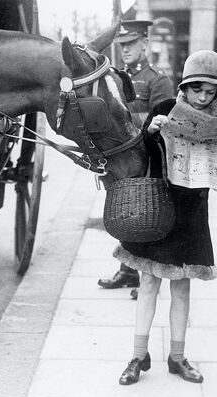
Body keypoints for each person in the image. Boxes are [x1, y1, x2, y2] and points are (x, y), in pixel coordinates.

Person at [117, 49, 217, 385]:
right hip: (157, 208)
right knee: (147, 283)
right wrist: (150, 132)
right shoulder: (164, 110)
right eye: (197, 90)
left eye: (210, 91)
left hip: (191, 213)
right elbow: (138, 154)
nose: (203, 98)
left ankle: (177, 357)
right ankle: (137, 355)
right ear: (185, 87)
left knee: (182, 288)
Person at [98, 20, 174, 297]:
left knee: (148, 217)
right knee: (125, 215)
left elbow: (165, 121)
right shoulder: (117, 78)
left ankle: (148, 277)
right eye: (122, 45)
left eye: (131, 44)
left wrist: (128, 123)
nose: (126, 50)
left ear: (145, 43)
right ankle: (128, 271)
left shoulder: (157, 79)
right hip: (122, 161)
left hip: (148, 161)